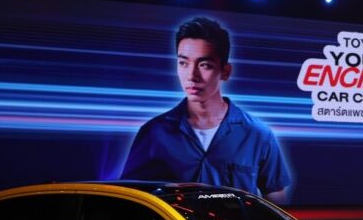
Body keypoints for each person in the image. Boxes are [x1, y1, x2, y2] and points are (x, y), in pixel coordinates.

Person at [121, 16, 291, 203]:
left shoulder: (258, 134)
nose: (191, 76)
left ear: (225, 71)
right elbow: (131, 197)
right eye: (183, 63)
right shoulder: (154, 132)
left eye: (204, 65)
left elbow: (276, 199)